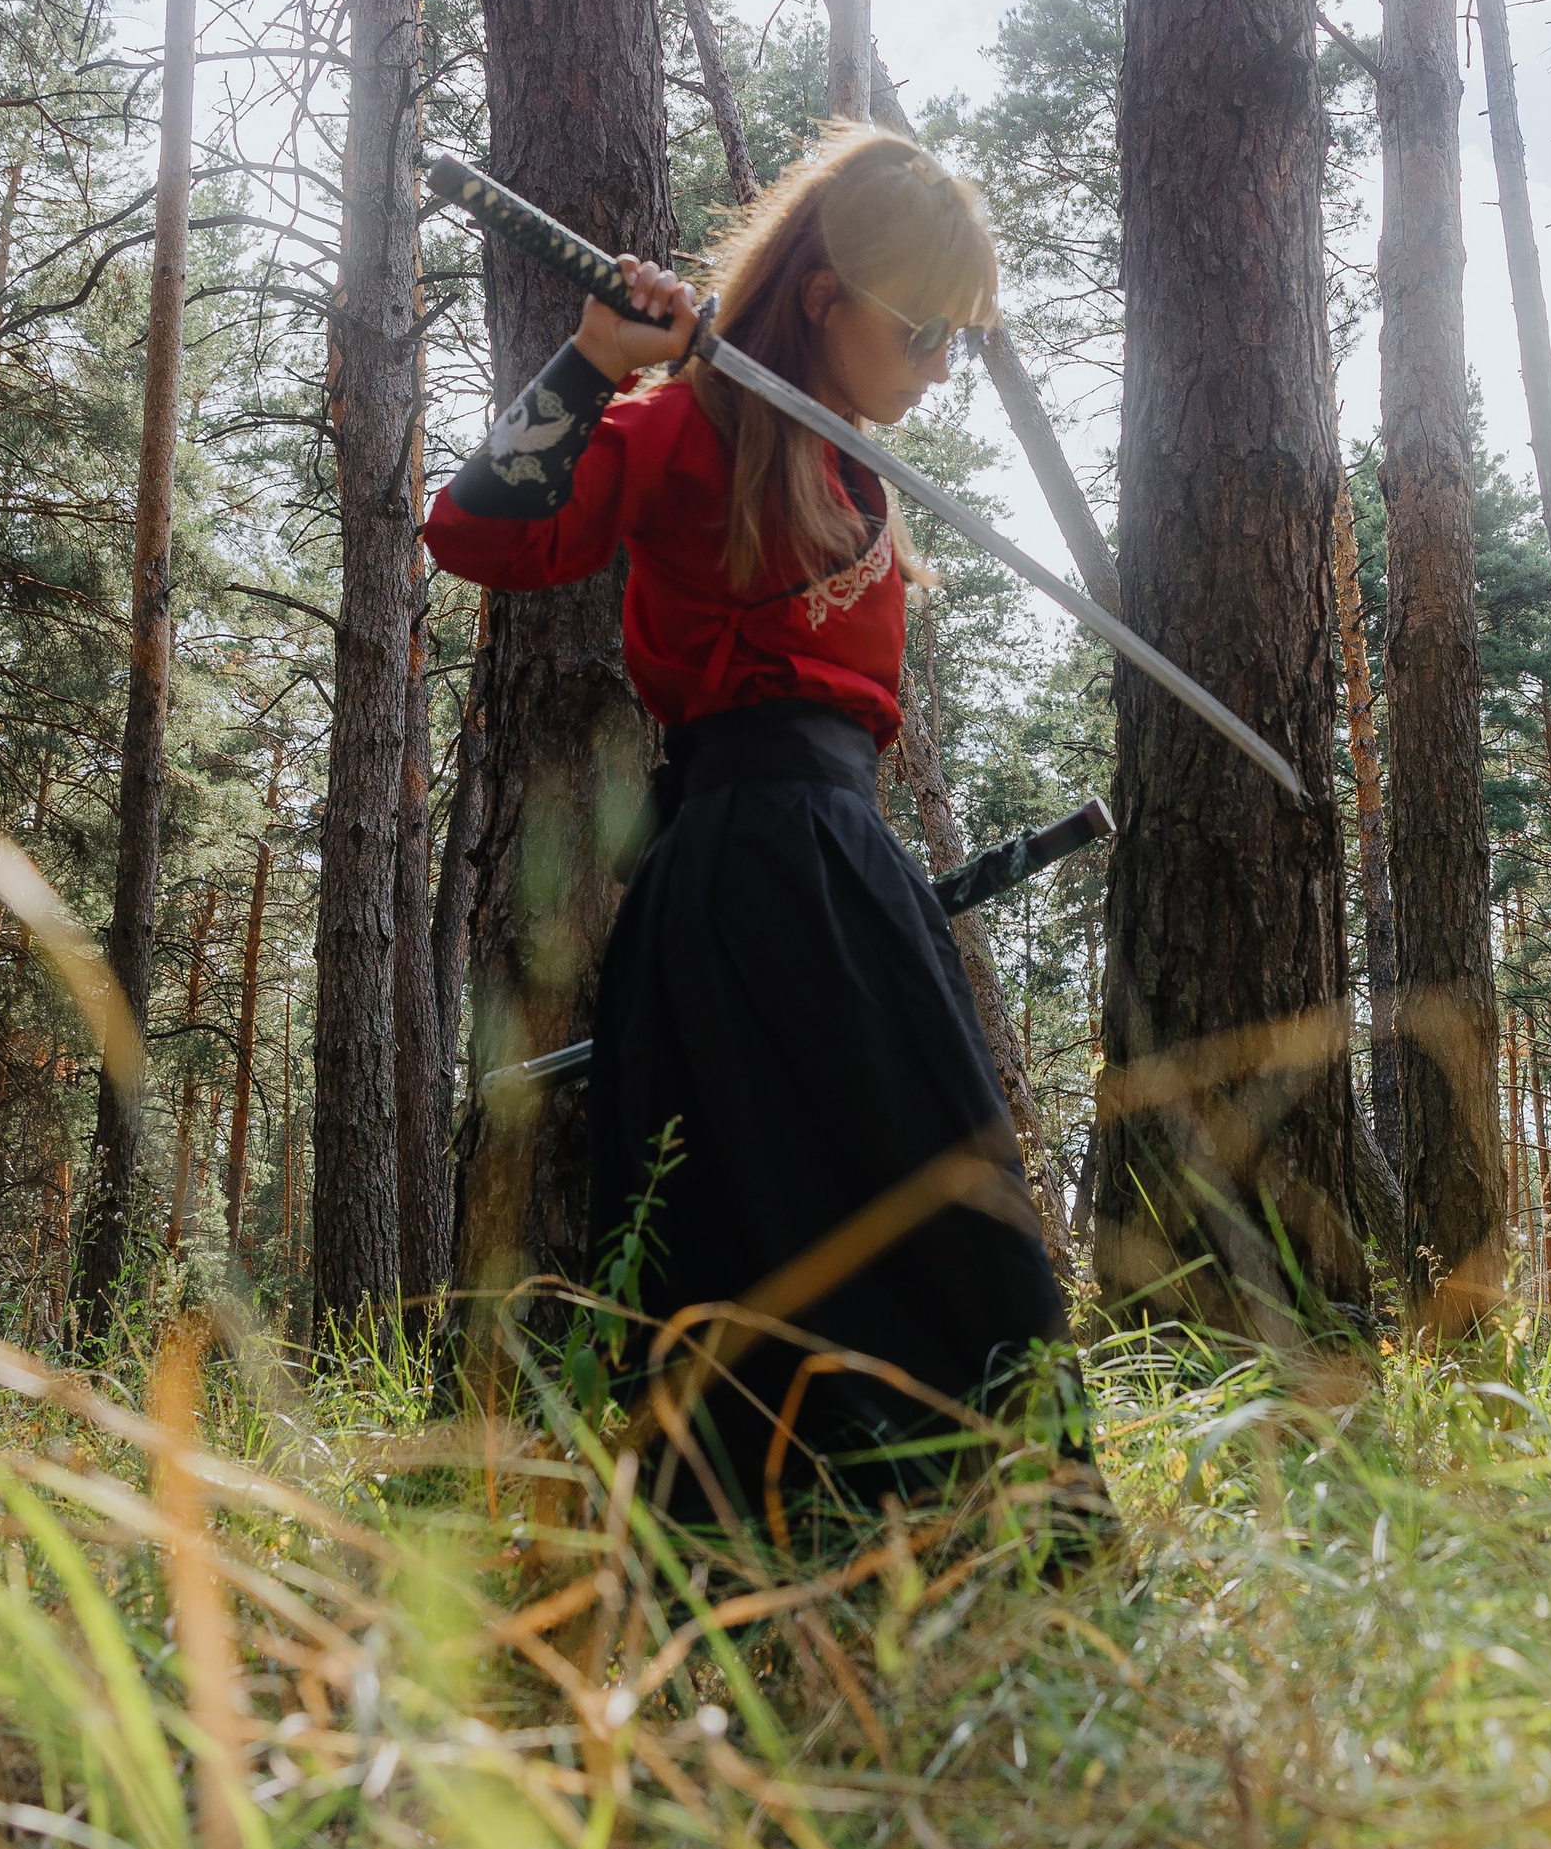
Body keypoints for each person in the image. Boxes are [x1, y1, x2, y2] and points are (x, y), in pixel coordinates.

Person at [424, 124, 1086, 1534]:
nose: (937, 371)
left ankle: (970, 1568)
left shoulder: (845, 467)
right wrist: (597, 362)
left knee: (941, 1223)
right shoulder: (680, 427)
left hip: (841, 866)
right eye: (924, 334)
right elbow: (475, 535)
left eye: (957, 343)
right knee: (767, 1232)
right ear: (829, 301)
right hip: (741, 872)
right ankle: (778, 1585)